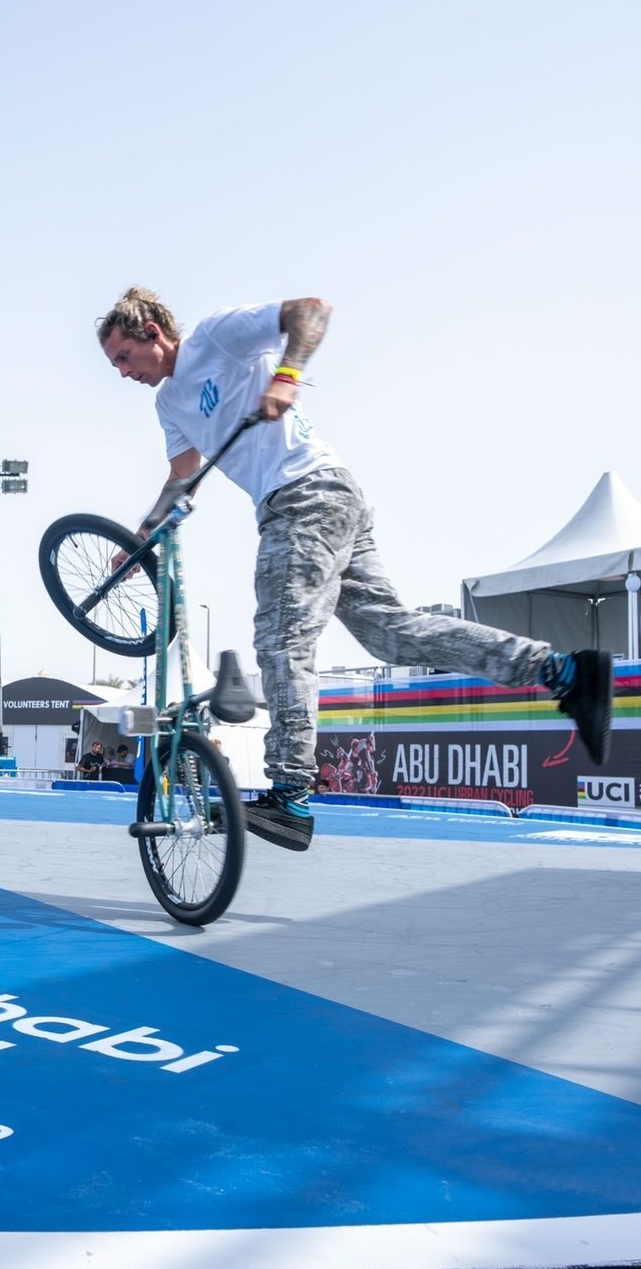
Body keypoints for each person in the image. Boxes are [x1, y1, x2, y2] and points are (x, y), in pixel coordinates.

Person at [95, 286, 611, 852]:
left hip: (307, 495)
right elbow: (180, 480)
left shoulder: (216, 337)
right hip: (315, 503)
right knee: (390, 632)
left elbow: (311, 311)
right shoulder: (169, 404)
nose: (121, 373)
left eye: (123, 357)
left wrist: (287, 375)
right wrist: (140, 538)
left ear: (153, 334)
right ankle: (562, 671)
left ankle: (290, 793)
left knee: (281, 636)